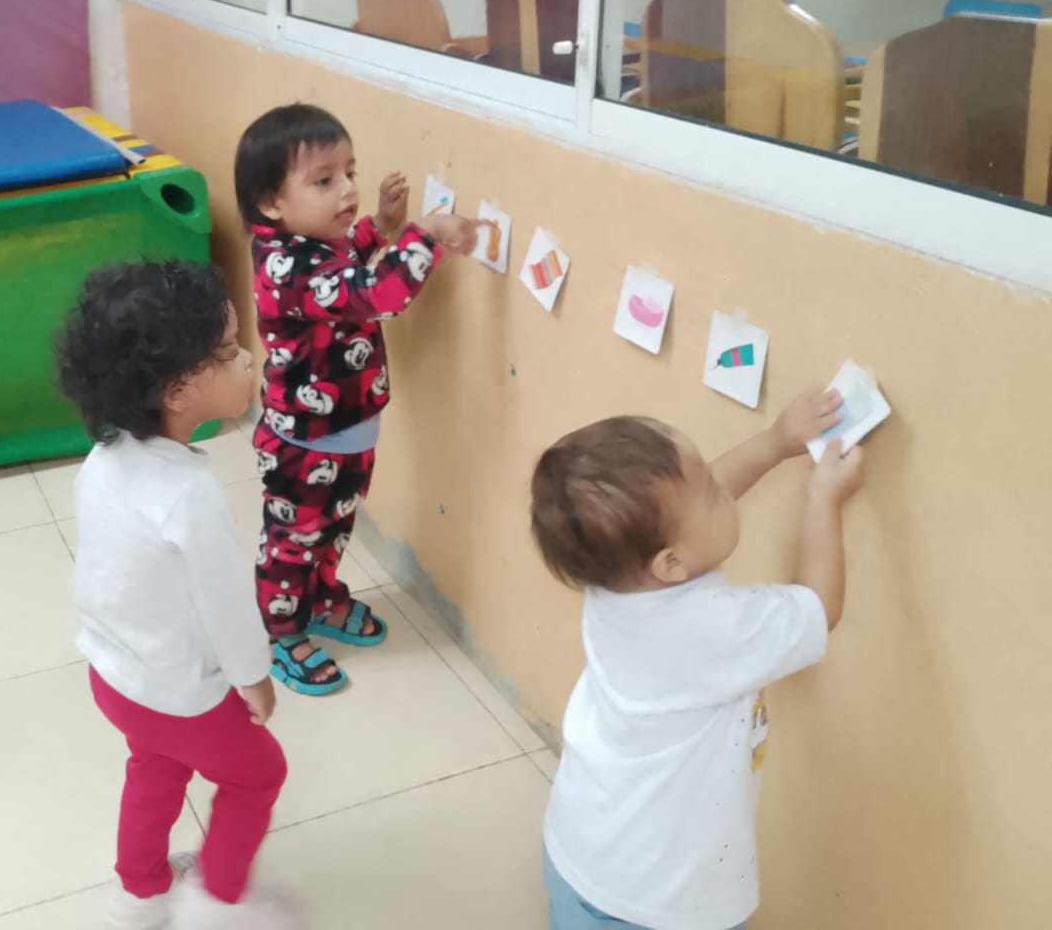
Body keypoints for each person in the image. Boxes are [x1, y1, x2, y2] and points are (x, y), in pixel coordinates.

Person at [529, 390, 867, 930]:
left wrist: (774, 443)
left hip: (582, 847)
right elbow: (819, 608)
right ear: (671, 563)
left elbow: (685, 511)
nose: (723, 488)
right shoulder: (710, 629)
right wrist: (825, 499)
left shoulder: (614, 577)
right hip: (658, 901)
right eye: (711, 492)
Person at [58, 260, 298, 930]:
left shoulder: (103, 459)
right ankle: (216, 902)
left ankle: (139, 895)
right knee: (258, 774)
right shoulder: (189, 494)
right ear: (179, 389)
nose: (248, 357)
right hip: (181, 695)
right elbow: (227, 603)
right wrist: (254, 678)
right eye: (230, 349)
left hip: (115, 677)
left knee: (155, 770)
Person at [233, 102, 487, 695]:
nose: (347, 189)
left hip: (347, 432)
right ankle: (279, 632)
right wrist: (426, 234)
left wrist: (379, 226)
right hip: (302, 444)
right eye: (324, 181)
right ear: (271, 203)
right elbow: (374, 294)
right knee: (294, 544)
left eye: (350, 172)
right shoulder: (283, 264)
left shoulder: (312, 244)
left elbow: (341, 266)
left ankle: (321, 600)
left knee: (334, 528)